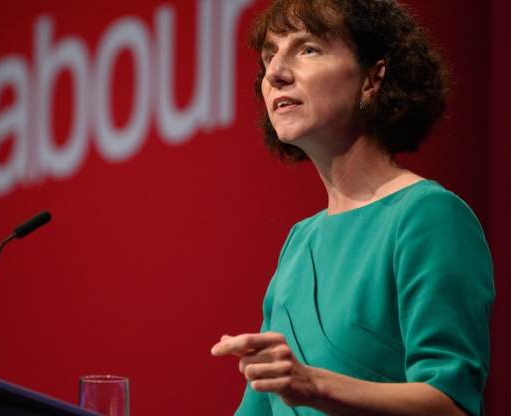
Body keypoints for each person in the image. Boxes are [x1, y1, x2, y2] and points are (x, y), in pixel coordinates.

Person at [209, 1, 494, 415]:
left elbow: (452, 405)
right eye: (270, 55)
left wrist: (315, 385)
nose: (275, 73)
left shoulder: (428, 216)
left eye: (307, 49)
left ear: (373, 78)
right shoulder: (298, 242)